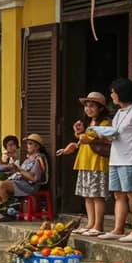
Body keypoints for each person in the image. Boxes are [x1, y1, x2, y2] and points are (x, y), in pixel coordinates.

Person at [99, 78, 132, 242]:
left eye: (113, 92)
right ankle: (118, 229)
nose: (112, 95)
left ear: (122, 93)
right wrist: (103, 135)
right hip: (116, 159)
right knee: (118, 195)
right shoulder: (119, 113)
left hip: (131, 159)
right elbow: (117, 136)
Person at [55, 92, 111, 236]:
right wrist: (77, 137)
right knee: (87, 195)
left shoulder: (104, 123)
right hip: (85, 163)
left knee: (97, 196)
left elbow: (89, 138)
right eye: (86, 106)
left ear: (100, 108)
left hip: (97, 163)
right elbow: (82, 142)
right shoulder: (88, 124)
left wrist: (79, 134)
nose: (88, 109)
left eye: (92, 106)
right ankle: (91, 223)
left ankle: (98, 226)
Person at [0, 134, 48, 220]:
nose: (27, 146)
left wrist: (19, 170)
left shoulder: (38, 159)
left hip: (29, 186)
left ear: (37, 146)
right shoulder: (28, 158)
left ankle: (7, 213)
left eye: (30, 143)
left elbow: (34, 178)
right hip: (18, 182)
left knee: (1, 185)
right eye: (27, 144)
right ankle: (3, 209)